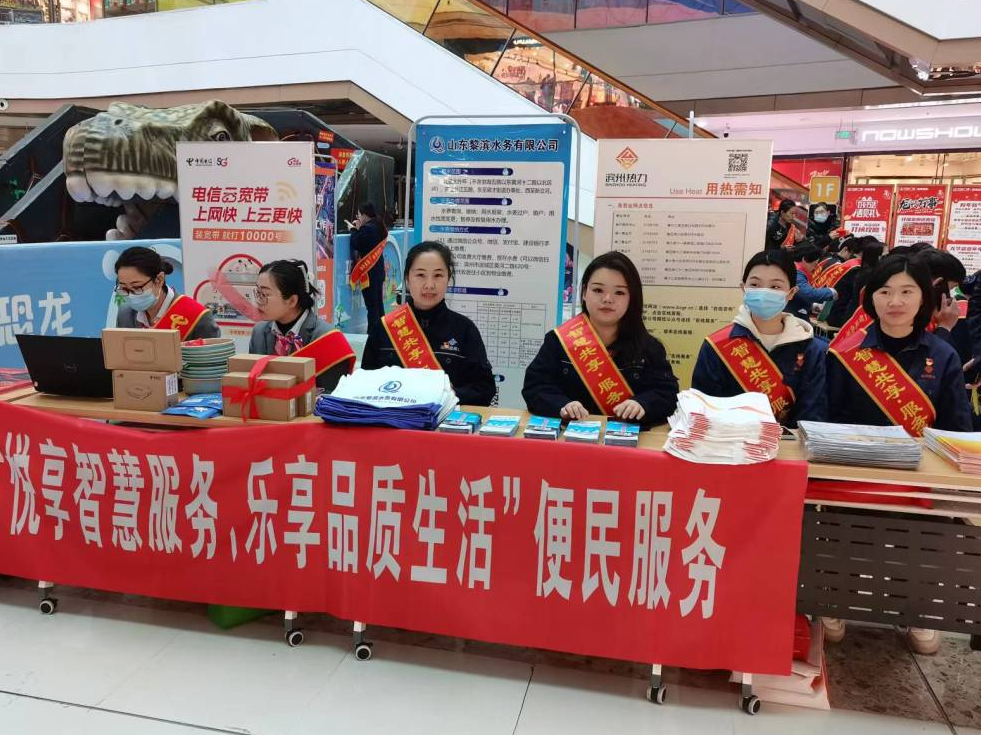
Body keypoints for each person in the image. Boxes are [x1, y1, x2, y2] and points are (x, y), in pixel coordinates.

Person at [824, 255, 971, 655]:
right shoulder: (844, 353)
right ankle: (832, 600)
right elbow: (825, 418)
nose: (895, 302)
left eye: (907, 291)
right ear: (871, 298)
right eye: (885, 291)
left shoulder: (943, 356)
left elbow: (958, 427)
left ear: (923, 298)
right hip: (856, 475)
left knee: (926, 539)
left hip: (920, 479)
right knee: (840, 532)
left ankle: (916, 609)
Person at [522, 251, 678, 426]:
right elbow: (534, 388)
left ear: (631, 298)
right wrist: (562, 406)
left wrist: (642, 404)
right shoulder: (558, 342)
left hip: (625, 438)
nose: (607, 299)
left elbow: (668, 394)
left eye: (619, 292)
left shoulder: (649, 348)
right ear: (584, 293)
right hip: (570, 436)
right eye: (598, 290)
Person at [692, 250, 827, 427]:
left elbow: (812, 417)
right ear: (743, 288)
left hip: (789, 443)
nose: (764, 293)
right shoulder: (717, 346)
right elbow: (703, 410)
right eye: (755, 285)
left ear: (791, 292)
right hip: (729, 439)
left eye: (775, 287)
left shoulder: (813, 350)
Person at [361, 241, 495, 406]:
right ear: (407, 279)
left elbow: (485, 389)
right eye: (420, 275)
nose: (429, 285)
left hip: (446, 420)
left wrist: (450, 395)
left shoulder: (465, 330)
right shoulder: (383, 329)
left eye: (438, 275)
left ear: (448, 279)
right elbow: (365, 385)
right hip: (393, 419)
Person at [249, 259, 354, 393]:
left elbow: (332, 396)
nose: (258, 301)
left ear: (292, 301)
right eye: (257, 293)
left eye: (264, 294)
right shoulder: (259, 332)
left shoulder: (328, 339)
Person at [114, 246, 219, 341]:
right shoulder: (126, 313)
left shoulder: (198, 317)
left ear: (159, 280)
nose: (131, 295)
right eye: (124, 288)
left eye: (137, 287)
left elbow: (211, 356)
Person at [826, 236, 883, 328]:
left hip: (837, 312)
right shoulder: (857, 270)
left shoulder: (852, 264)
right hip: (843, 317)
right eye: (884, 256)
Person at [349, 202, 388, 331]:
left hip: (369, 272)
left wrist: (353, 230)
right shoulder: (379, 225)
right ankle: (382, 331)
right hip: (378, 271)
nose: (358, 217)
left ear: (365, 215)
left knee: (372, 307)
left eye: (359, 215)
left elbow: (357, 243)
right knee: (378, 305)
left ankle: (373, 334)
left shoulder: (368, 229)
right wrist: (359, 229)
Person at [786, 244, 837, 319]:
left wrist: (811, 306)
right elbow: (809, 294)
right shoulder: (796, 273)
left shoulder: (793, 268)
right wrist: (832, 292)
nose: (816, 266)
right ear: (804, 259)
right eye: (815, 262)